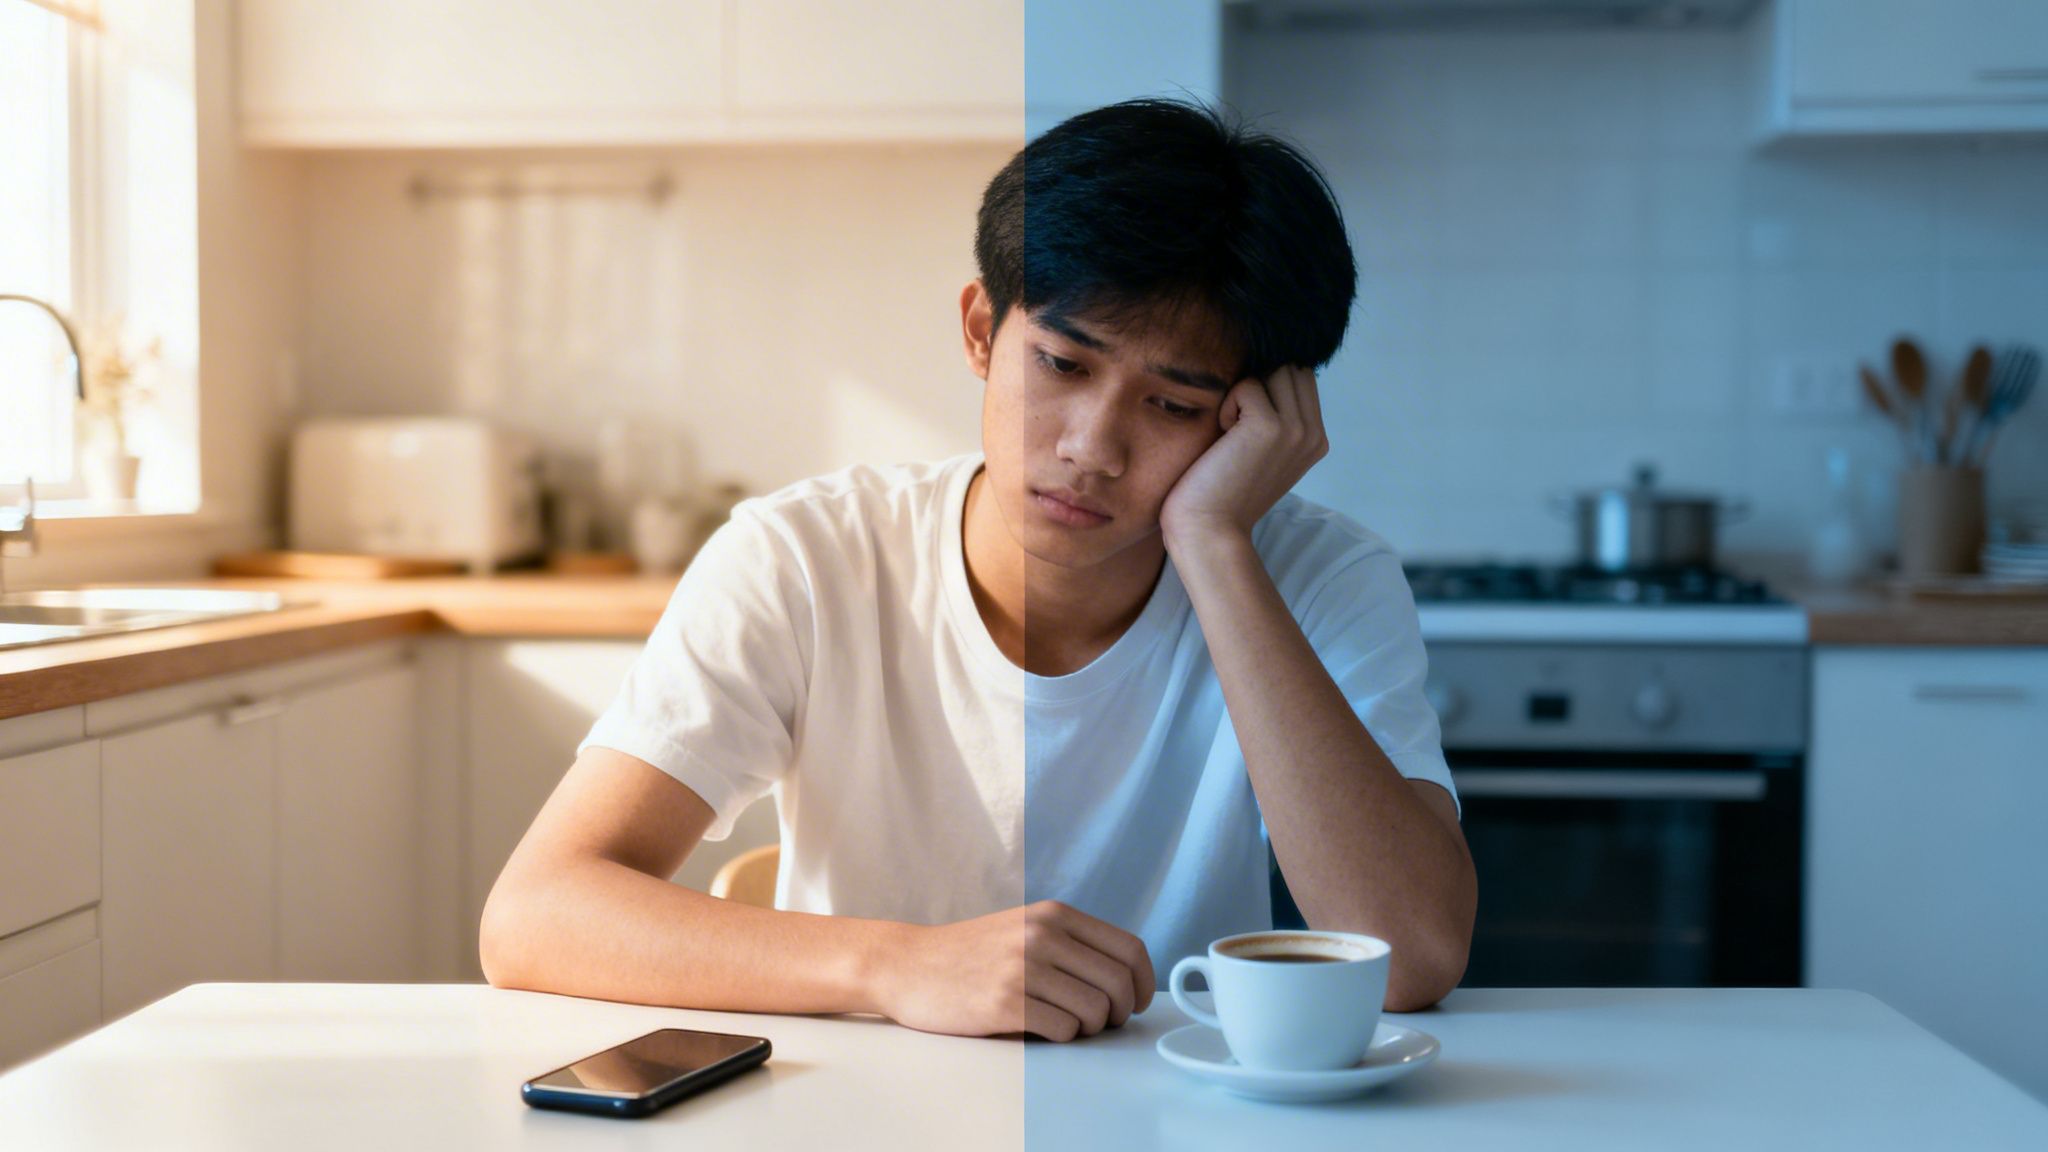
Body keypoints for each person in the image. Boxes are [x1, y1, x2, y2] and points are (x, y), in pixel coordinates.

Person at [480, 99, 1476, 1043]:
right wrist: (895, 967)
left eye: (1172, 405)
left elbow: (1410, 957)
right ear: (978, 332)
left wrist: (1214, 545)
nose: (1091, 446)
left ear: (1253, 421)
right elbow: (534, 914)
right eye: (1062, 364)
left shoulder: (1316, 577)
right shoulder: (805, 556)